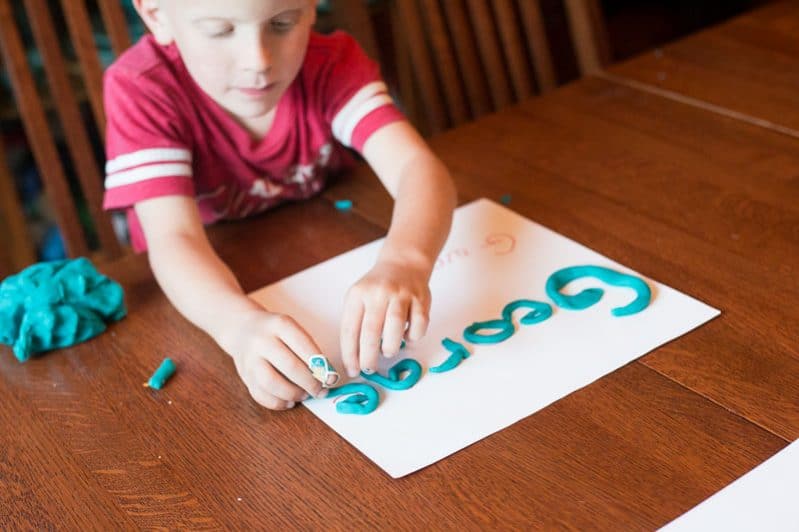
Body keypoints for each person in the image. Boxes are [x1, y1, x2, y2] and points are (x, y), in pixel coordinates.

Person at [102, 0, 457, 410]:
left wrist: (406, 261)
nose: (259, 60)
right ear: (157, 15)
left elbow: (417, 167)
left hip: (311, 238)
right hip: (199, 284)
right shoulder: (143, 87)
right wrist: (237, 327)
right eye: (220, 30)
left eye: (283, 23)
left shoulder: (332, 64)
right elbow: (174, 237)